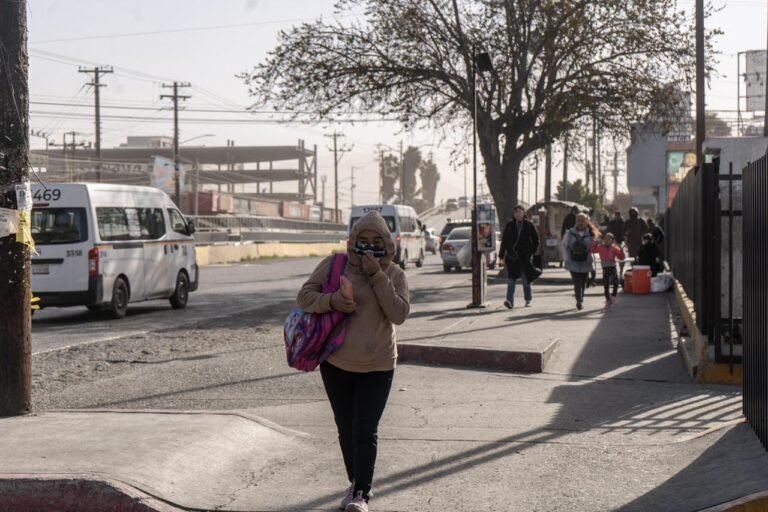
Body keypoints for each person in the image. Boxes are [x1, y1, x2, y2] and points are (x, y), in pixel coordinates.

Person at [297, 210, 410, 512]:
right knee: (345, 428)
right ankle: (356, 480)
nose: (370, 247)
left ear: (387, 244)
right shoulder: (335, 265)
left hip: (379, 365)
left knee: (365, 428)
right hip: (336, 363)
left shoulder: (395, 274)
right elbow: (305, 296)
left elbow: (398, 313)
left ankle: (361, 493)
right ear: (353, 241)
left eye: (377, 241)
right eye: (363, 240)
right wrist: (333, 301)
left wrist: (376, 275)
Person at [499, 205, 540, 309]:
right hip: (512, 257)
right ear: (513, 214)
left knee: (526, 279)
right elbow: (504, 241)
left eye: (520, 211)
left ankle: (528, 299)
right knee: (511, 280)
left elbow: (536, 240)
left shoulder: (529, 225)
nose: (518, 213)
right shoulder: (509, 225)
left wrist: (531, 251)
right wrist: (501, 255)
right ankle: (509, 301)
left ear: (523, 213)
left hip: (525, 257)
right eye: (516, 212)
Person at [563, 213, 600, 310]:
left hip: (586, 261)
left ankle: (581, 297)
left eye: (582, 220)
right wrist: (566, 258)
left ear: (587, 221)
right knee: (577, 282)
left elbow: (596, 248)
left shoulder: (591, 233)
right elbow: (564, 246)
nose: (580, 223)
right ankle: (579, 300)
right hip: (573, 261)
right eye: (578, 220)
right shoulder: (569, 233)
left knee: (583, 282)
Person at [591, 232, 626, 308]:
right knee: (606, 285)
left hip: (612, 267)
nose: (607, 240)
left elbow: (622, 258)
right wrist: (595, 243)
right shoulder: (600, 247)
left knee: (616, 283)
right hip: (605, 268)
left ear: (612, 240)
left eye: (609, 239)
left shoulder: (614, 248)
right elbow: (592, 250)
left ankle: (613, 296)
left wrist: (621, 250)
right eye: (606, 238)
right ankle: (608, 300)